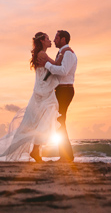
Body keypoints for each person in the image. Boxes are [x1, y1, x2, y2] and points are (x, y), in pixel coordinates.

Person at [0, 32, 61, 162]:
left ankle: (35, 151)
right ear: (42, 41)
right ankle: (35, 151)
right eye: (47, 39)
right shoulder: (42, 54)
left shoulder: (41, 54)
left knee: (40, 122)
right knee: (44, 120)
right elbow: (56, 67)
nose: (50, 41)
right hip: (43, 92)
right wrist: (63, 53)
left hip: (41, 91)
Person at [43, 30, 77, 162]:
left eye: (56, 38)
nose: (54, 40)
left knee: (60, 122)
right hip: (61, 90)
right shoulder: (62, 53)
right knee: (59, 122)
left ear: (63, 39)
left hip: (65, 90)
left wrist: (47, 65)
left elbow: (63, 71)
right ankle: (66, 155)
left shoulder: (68, 53)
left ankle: (67, 156)